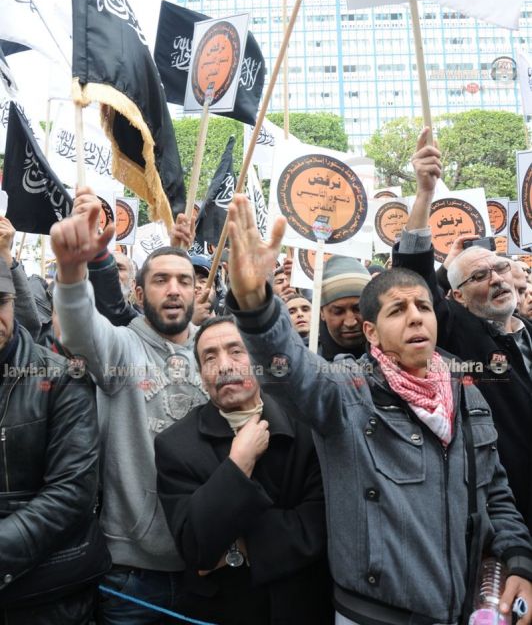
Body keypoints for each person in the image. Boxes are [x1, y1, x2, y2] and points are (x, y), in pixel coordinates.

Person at [223, 194, 532, 625]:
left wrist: (518, 559)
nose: (415, 317)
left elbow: (495, 490)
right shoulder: (346, 391)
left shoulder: (467, 394)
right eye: (398, 310)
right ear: (371, 331)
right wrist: (256, 308)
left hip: (462, 610)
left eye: (423, 306)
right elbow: (289, 370)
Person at [50, 189, 207, 624]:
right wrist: (71, 272)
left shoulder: (216, 351)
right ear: (138, 292)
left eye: (184, 281)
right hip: (132, 578)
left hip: (208, 570)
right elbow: (80, 329)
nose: (173, 290)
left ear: (197, 290)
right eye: (161, 280)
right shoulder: (121, 349)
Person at [392, 129, 532, 531]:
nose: (497, 278)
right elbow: (413, 277)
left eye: (499, 267)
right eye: (479, 276)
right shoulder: (460, 335)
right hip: (508, 512)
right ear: (456, 297)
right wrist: (424, 194)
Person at [155, 315, 333, 625]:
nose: (224, 366)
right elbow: (195, 546)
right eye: (210, 357)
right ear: (201, 374)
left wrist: (237, 547)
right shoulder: (175, 444)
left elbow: (318, 524)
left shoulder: (306, 428)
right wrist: (238, 465)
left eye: (236, 351)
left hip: (303, 605)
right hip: (224, 609)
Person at [0, 257, 105, 624]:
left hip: (46, 600)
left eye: (0, 301)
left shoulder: (61, 378)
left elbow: (71, 492)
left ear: (14, 301)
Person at [319, 255, 371, 360]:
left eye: (358, 309)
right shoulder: (305, 361)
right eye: (338, 312)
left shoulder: (393, 356)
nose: (350, 322)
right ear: (322, 313)